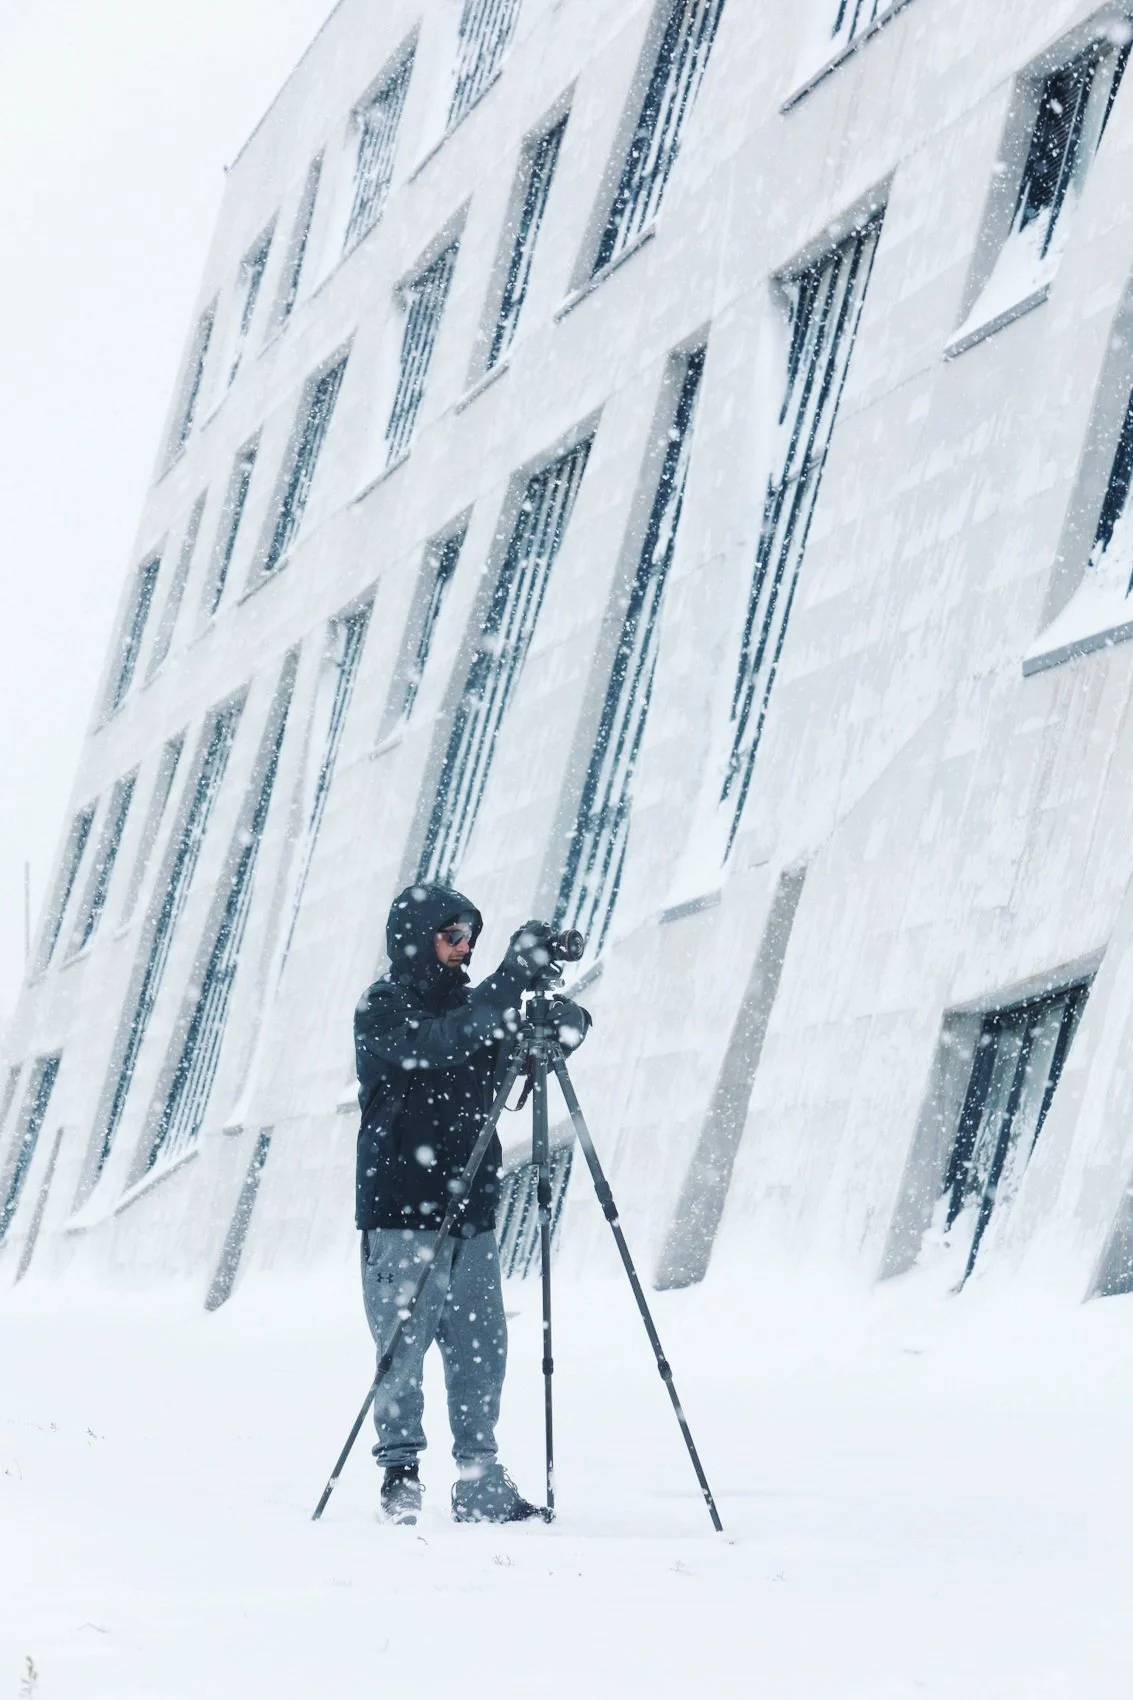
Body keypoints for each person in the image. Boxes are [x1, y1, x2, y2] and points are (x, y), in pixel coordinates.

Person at [353, 882, 591, 1525]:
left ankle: (479, 1479)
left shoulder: (479, 1008)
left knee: (482, 1347)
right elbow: (439, 1044)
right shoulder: (383, 1007)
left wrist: (560, 1022)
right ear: (416, 939)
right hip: (402, 1205)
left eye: (470, 940)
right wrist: (511, 978)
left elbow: (523, 1050)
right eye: (451, 936)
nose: (463, 949)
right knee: (402, 1346)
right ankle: (399, 1476)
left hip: (472, 1207)